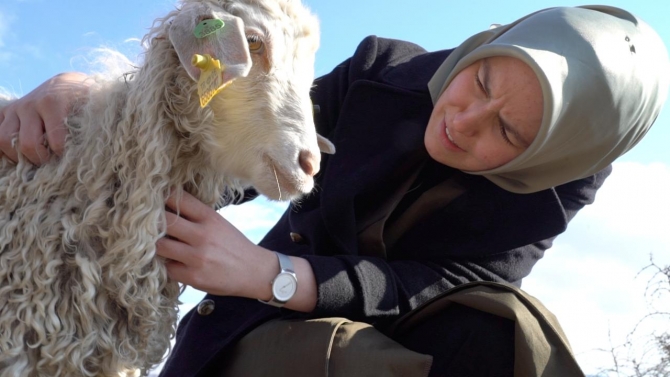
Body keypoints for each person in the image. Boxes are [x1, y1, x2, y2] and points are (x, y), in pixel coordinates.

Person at [1, 5, 668, 377]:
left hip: (363, 329)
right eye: (484, 83)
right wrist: (94, 101)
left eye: (508, 130)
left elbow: (449, 278)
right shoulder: (385, 71)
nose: (462, 121)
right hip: (261, 339)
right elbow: (235, 128)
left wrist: (276, 274)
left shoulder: (556, 187)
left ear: (553, 157)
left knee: (510, 331)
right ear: (488, 44)